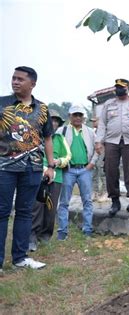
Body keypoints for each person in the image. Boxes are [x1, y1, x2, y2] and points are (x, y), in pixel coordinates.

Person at [0, 66, 55, 271]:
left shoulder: (42, 109)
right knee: (2, 212)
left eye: (20, 79)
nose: (15, 82)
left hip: (32, 168)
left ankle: (20, 258)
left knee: (24, 212)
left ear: (32, 84)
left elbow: (48, 138)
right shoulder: (2, 104)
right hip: (4, 168)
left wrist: (50, 166)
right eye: (13, 78)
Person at [95, 79, 129, 216]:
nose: (119, 90)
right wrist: (98, 141)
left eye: (122, 87)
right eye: (117, 87)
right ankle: (115, 201)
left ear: (128, 89)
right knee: (110, 170)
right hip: (111, 141)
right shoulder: (108, 104)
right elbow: (102, 124)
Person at [29, 109, 71, 250]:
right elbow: (31, 155)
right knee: (36, 207)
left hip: (56, 177)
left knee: (50, 208)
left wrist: (58, 162)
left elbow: (67, 156)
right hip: (38, 175)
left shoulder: (60, 139)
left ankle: (45, 236)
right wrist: (44, 169)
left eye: (55, 121)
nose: (52, 123)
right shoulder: (35, 137)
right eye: (50, 120)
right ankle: (32, 238)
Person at [56, 105, 98, 240]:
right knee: (64, 202)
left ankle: (88, 230)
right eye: (75, 115)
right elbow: (55, 148)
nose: (78, 117)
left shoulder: (90, 132)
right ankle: (62, 232)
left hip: (85, 169)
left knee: (87, 201)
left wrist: (92, 163)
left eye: (80, 115)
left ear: (84, 117)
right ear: (70, 116)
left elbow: (98, 149)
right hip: (68, 170)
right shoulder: (61, 130)